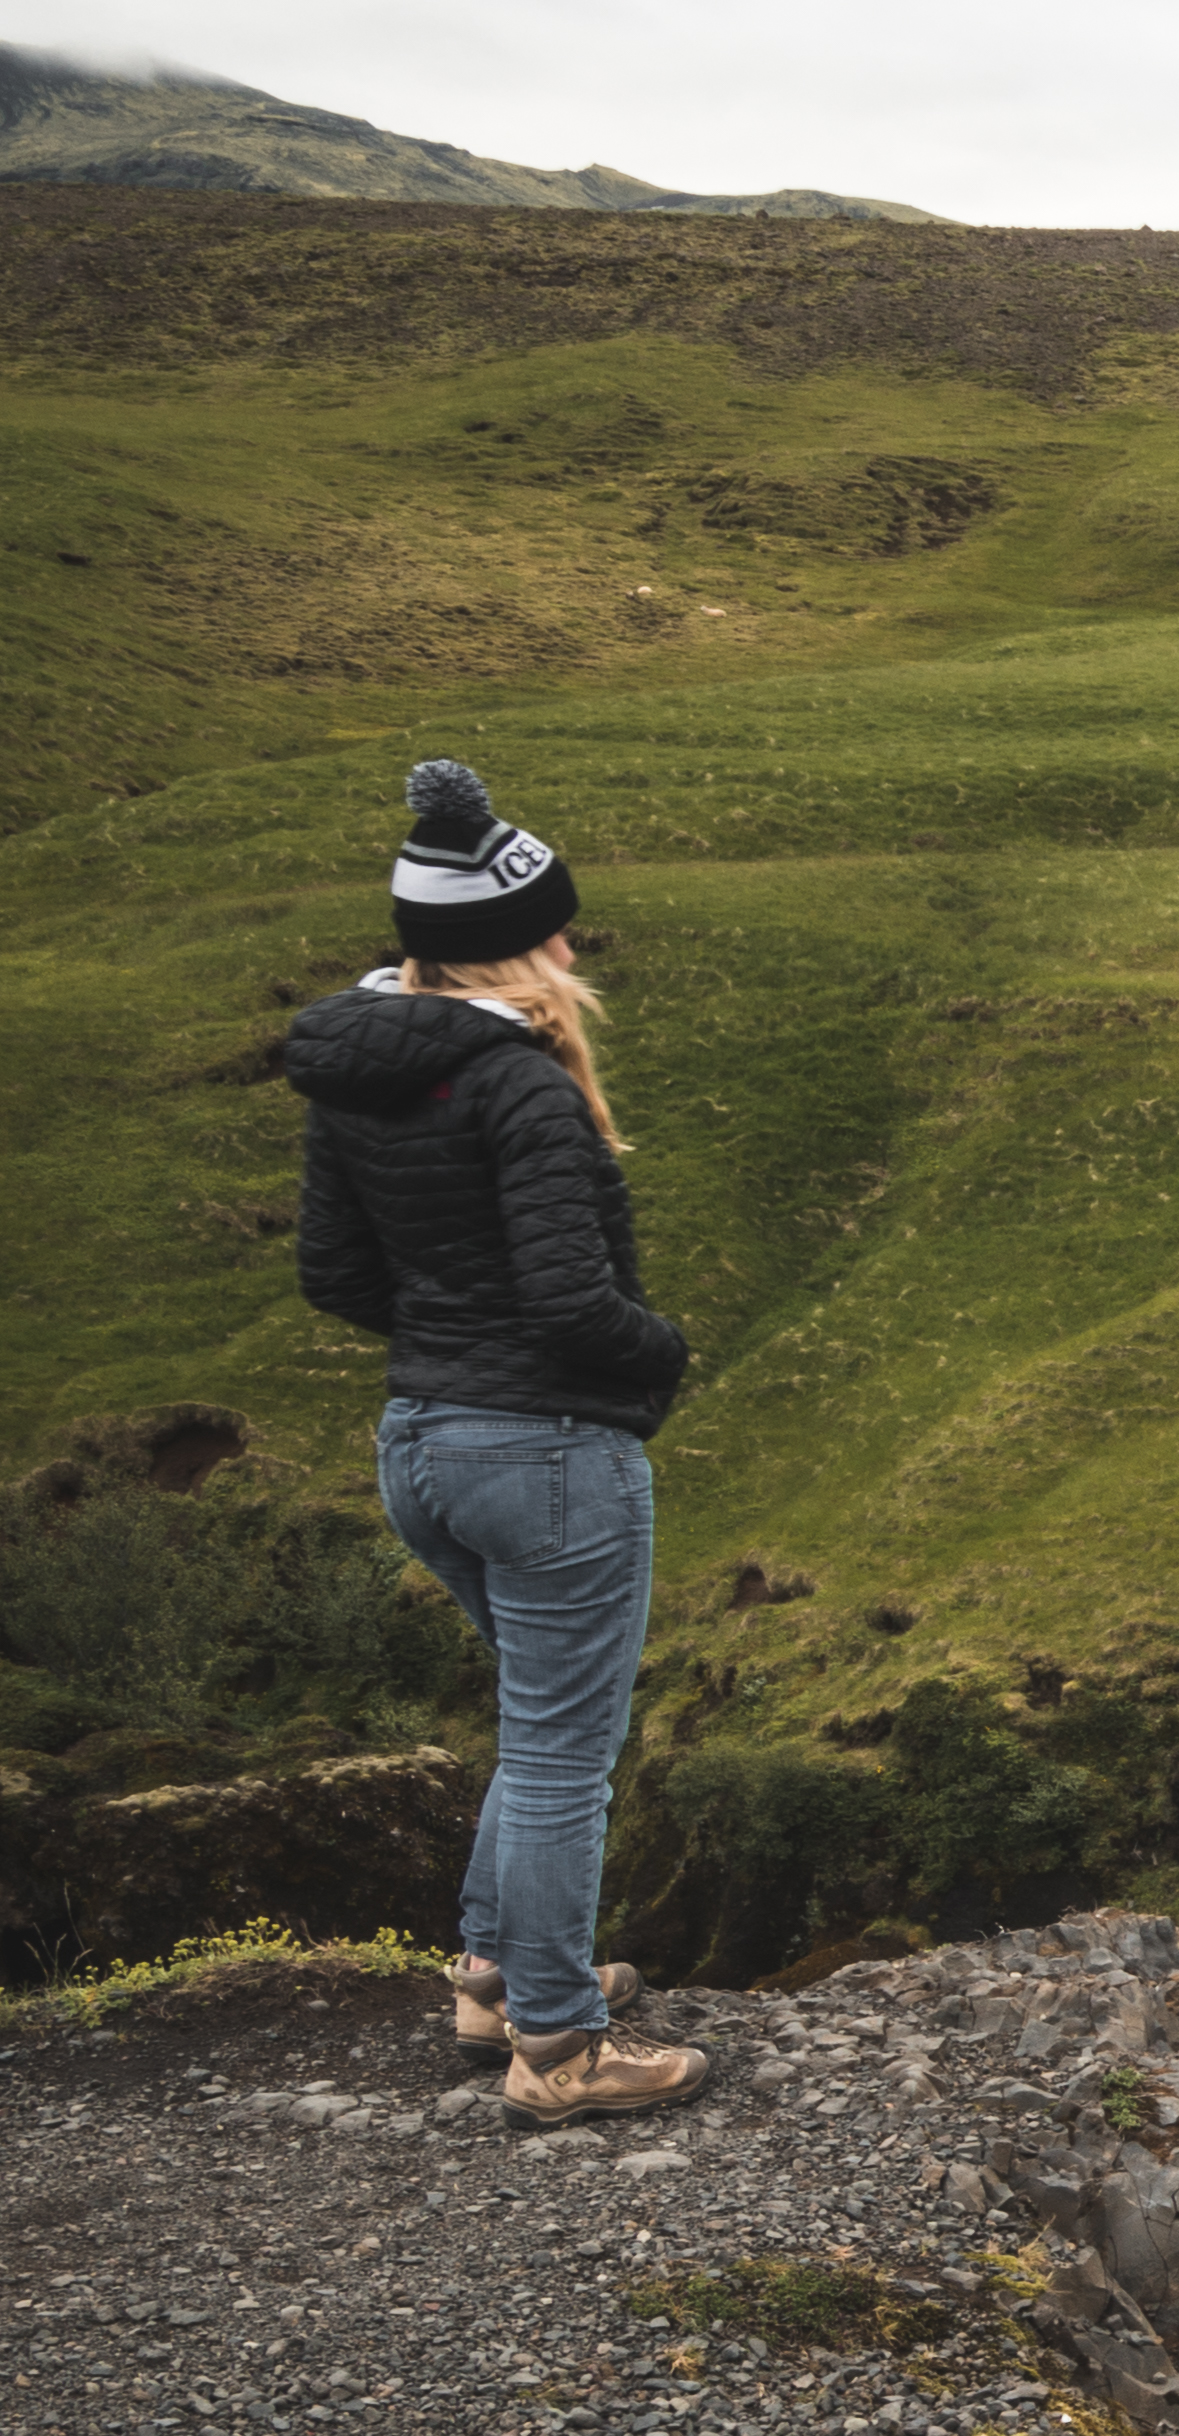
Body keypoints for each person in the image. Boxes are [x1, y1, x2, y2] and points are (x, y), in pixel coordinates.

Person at [284, 757, 705, 2122]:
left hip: (420, 1444)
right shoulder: (520, 1084)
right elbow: (576, 1302)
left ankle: (491, 1977)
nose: (573, 945)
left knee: (534, 1730)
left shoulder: (354, 1070)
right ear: (507, 947)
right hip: (546, 1456)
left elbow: (335, 1277)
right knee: (564, 1756)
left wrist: (451, 1338)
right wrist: (665, 1358)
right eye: (555, 925)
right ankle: (563, 2049)